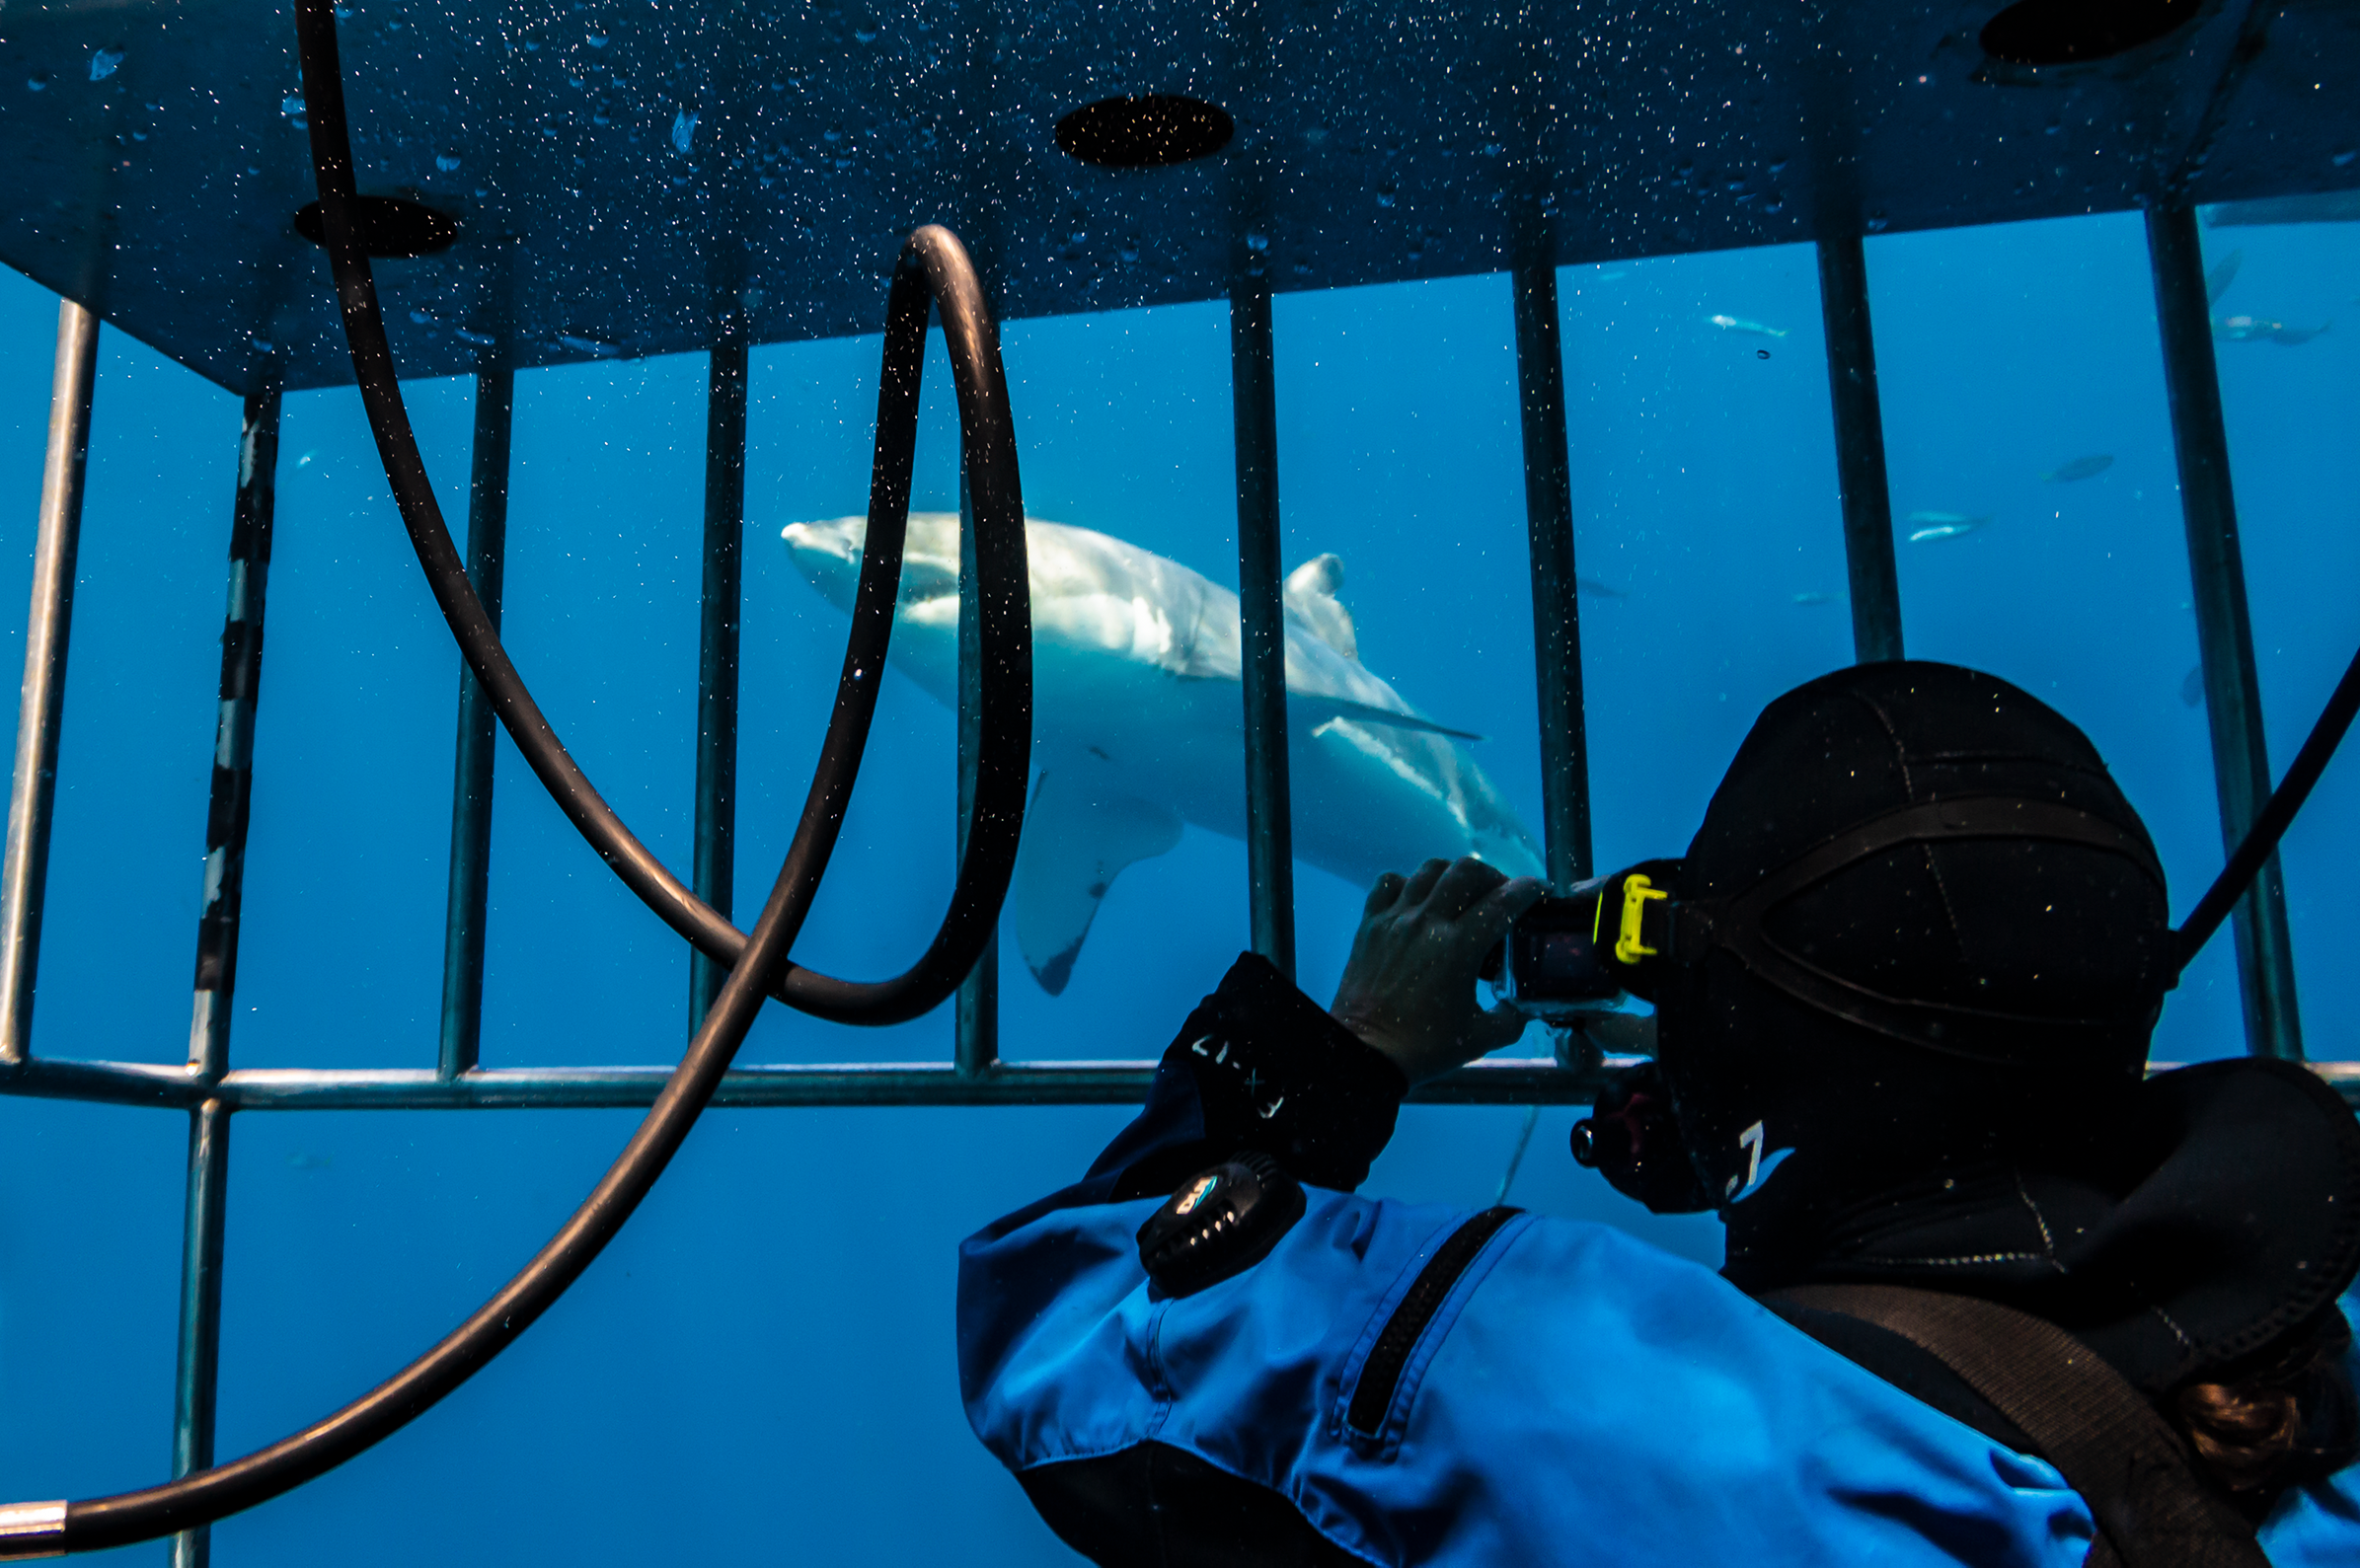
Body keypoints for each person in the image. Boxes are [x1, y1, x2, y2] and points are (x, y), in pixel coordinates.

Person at [958, 662, 2360, 1565]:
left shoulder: (1593, 1387)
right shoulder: (2289, 1423)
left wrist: (1349, 1048)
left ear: (1727, 1042)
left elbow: (1066, 1338)